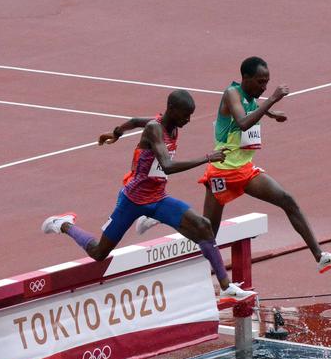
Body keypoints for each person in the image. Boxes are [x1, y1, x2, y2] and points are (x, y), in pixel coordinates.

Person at [41, 89, 255, 304]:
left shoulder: (169, 124)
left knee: (203, 226)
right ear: (171, 109)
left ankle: (226, 287)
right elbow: (168, 166)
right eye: (185, 115)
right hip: (132, 201)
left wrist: (115, 132)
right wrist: (208, 158)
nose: (188, 120)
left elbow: (134, 121)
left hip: (158, 198)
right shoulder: (155, 129)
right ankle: (64, 224)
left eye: (190, 115)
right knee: (99, 253)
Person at [137, 57, 331, 273]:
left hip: (244, 169)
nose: (264, 86)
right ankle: (160, 215)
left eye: (267, 82)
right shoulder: (232, 93)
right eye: (260, 82)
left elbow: (252, 105)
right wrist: (273, 99)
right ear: (245, 78)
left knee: (287, 200)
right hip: (223, 170)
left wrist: (271, 113)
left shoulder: (249, 95)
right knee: (207, 231)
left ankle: (320, 256)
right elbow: (243, 122)